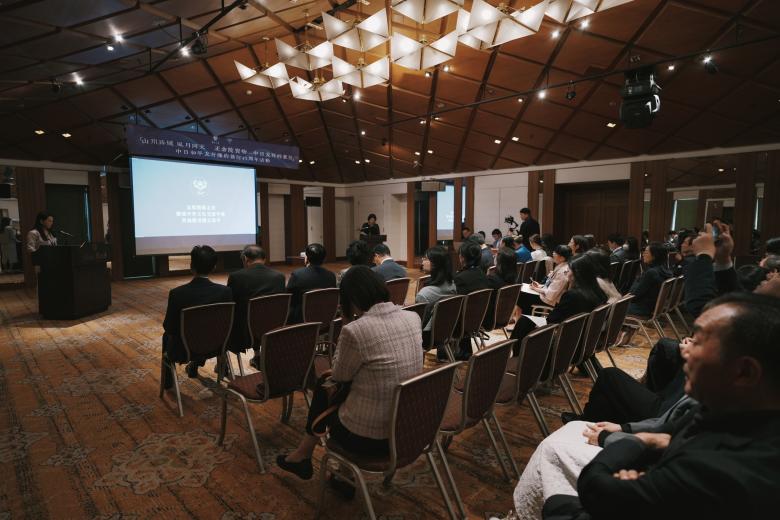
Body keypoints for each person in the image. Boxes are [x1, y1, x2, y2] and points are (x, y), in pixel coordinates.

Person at [543, 293, 780, 520]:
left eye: (699, 341)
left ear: (744, 372)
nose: (684, 349)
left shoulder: (721, 471)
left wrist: (639, 441)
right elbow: (666, 433)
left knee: (556, 501)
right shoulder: (723, 408)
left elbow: (595, 489)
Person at [276, 266, 423, 485]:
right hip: (408, 427)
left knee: (326, 384)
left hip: (369, 438)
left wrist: (346, 324)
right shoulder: (412, 317)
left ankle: (307, 457)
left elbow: (339, 375)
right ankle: (330, 470)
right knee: (334, 386)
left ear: (350, 299)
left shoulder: (355, 331)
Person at [514, 395, 697, 520]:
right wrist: (625, 430)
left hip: (633, 484)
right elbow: (660, 430)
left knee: (551, 450)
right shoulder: (702, 412)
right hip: (638, 465)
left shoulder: (705, 453)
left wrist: (614, 439)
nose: (686, 352)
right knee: (575, 428)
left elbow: (594, 485)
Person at [161, 245, 233, 383]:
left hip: (185, 349)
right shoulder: (225, 292)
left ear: (191, 266)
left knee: (166, 337)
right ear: (214, 267)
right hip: (219, 345)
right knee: (207, 329)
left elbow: (169, 327)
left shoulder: (177, 294)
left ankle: (168, 383)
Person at [510, 254, 608, 353]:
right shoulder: (599, 293)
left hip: (565, 336)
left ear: (577, 273)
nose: (566, 272)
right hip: (585, 338)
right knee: (526, 321)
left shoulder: (572, 295)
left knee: (524, 321)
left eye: (569, 270)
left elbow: (552, 320)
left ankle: (517, 354)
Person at [226, 245, 285, 367]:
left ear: (245, 259)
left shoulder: (236, 277)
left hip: (245, 331)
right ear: (264, 259)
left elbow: (231, 304)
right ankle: (259, 355)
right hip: (274, 327)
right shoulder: (279, 277)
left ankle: (223, 364)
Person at [286, 243, 337, 324]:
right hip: (326, 317)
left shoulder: (297, 275)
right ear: (324, 259)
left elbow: (289, 299)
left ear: (306, 258)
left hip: (302, 320)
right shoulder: (331, 276)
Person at [416, 245, 457, 343]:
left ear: (435, 264)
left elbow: (418, 324)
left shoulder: (424, 294)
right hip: (448, 330)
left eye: (425, 259)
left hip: (427, 337)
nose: (422, 261)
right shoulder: (452, 285)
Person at [518, 245, 572, 312]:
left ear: (562, 258)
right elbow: (550, 285)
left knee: (521, 296)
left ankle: (523, 317)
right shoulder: (561, 266)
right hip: (547, 296)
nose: (553, 253)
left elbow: (551, 294)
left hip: (550, 301)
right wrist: (540, 286)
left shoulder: (563, 272)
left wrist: (535, 289)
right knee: (521, 293)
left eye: (556, 253)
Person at [627, 241, 672, 317]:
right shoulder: (666, 270)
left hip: (642, 308)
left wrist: (637, 280)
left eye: (646, 252)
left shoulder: (651, 273)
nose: (643, 254)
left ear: (654, 256)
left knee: (611, 308)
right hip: (652, 306)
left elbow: (634, 295)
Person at [484, 247, 519, 328]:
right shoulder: (515, 281)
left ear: (499, 262)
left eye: (496, 256)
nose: (494, 257)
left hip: (488, 320)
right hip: (505, 318)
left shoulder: (492, 280)